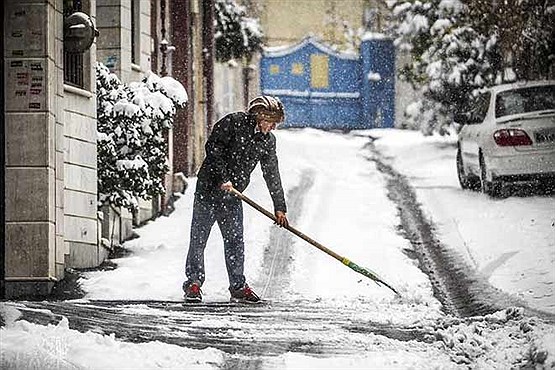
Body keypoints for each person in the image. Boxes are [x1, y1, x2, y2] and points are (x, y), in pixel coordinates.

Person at [183, 95, 289, 303]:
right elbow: (213, 149)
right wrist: (223, 178)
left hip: (232, 197)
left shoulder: (267, 141)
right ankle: (194, 283)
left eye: (274, 123)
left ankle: (238, 286)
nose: (271, 127)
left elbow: (271, 173)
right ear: (258, 116)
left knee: (235, 241)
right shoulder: (233, 123)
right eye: (269, 121)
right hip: (208, 190)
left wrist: (279, 207)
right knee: (199, 238)